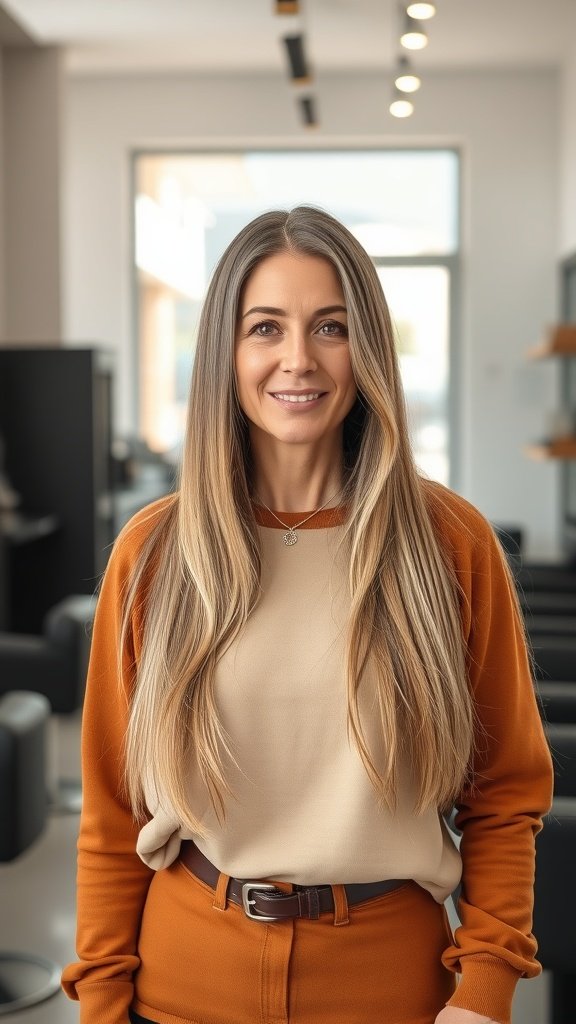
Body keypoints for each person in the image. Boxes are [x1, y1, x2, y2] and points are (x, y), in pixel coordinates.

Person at [62, 206, 553, 1024]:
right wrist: (103, 1004)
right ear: (226, 351)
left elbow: (504, 795)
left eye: (331, 326)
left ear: (368, 349)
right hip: (181, 986)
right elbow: (114, 813)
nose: (299, 359)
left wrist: (485, 991)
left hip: (392, 992)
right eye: (266, 328)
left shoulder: (450, 542)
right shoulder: (154, 551)